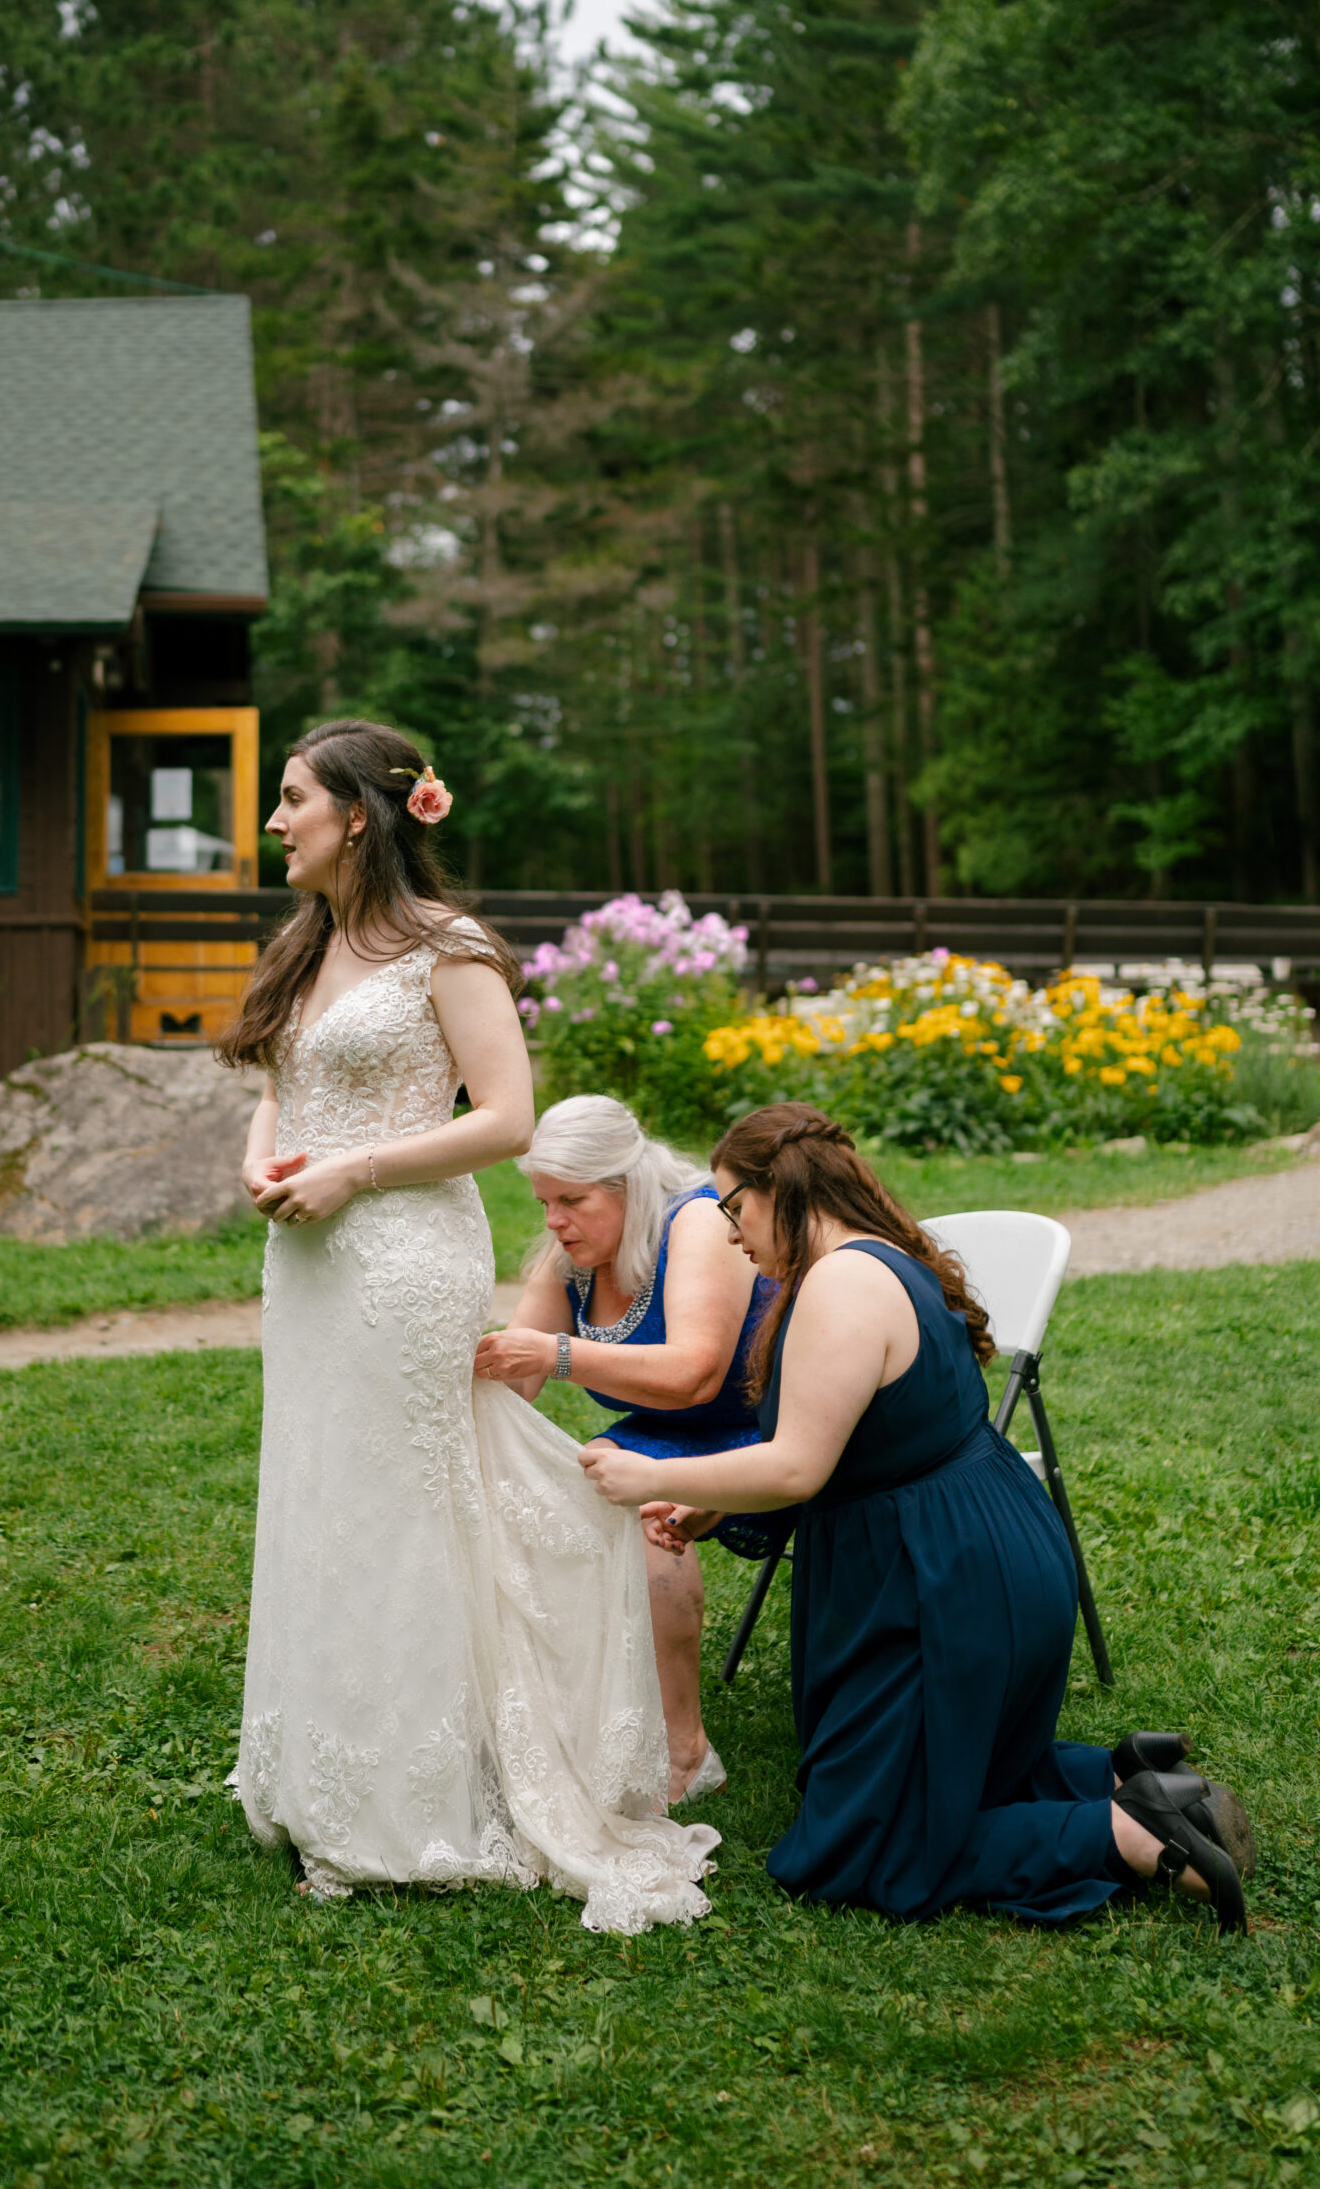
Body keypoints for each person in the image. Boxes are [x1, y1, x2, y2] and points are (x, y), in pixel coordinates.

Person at [218, 718, 719, 1933]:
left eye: (291, 799)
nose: (274, 822)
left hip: (400, 1260)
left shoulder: (450, 949)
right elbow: (282, 1076)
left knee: (399, 1504)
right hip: (310, 1267)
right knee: (319, 1494)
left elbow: (506, 1117)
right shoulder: (311, 942)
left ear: (359, 814)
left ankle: (414, 1790)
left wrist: (357, 1172)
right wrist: (263, 1154)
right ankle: (320, 1767)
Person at [578, 1102, 1255, 1932]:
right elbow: (837, 1442)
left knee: (853, 1856)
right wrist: (714, 1500)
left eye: (732, 1207)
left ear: (780, 1190)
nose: (727, 1232)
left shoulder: (841, 1285)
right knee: (891, 1793)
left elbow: (798, 1463)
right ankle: (1115, 1776)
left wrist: (649, 1471)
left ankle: (1130, 1832)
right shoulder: (869, 1260)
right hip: (974, 1554)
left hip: (942, 1586)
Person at [473, 1094, 784, 1804]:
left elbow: (695, 1374)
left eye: (571, 1200)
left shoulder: (698, 1222)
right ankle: (568, 1719)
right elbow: (516, 1381)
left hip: (759, 1430)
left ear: (626, 1185)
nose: (554, 1221)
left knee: (634, 1502)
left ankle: (684, 1748)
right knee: (545, 1488)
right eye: (543, 1201)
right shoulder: (572, 1255)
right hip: (655, 1435)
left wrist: (555, 1354)